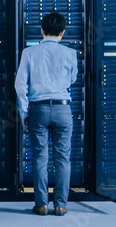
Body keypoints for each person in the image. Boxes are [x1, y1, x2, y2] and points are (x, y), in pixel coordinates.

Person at [14, 12, 78, 216]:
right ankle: (60, 204)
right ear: (62, 33)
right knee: (62, 159)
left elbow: (19, 85)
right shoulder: (70, 53)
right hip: (62, 109)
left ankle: (41, 204)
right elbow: (72, 80)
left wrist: (24, 111)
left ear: (41, 31)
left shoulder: (29, 53)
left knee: (40, 158)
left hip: (38, 109)